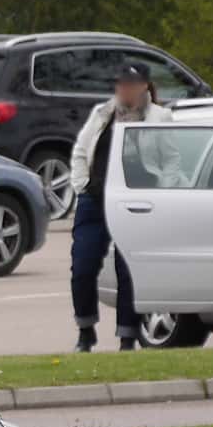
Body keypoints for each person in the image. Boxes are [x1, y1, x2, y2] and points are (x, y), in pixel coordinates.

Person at [69, 62, 171, 352]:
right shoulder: (103, 113)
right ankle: (85, 329)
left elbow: (172, 160)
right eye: (120, 83)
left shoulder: (160, 117)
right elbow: (80, 151)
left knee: (127, 270)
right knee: (83, 266)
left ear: (143, 87)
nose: (123, 89)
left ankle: (127, 336)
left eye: (130, 84)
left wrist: (161, 193)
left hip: (134, 203)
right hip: (96, 199)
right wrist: (81, 185)